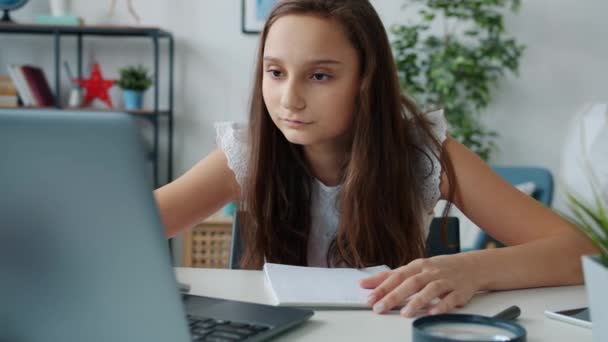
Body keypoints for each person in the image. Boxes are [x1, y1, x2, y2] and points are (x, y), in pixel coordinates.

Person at [154, 0, 596, 317]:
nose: (289, 98)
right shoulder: (248, 152)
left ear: (366, 79)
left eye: (320, 75)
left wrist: (471, 269)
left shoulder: (422, 154)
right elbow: (128, 232)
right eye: (275, 72)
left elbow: (581, 251)